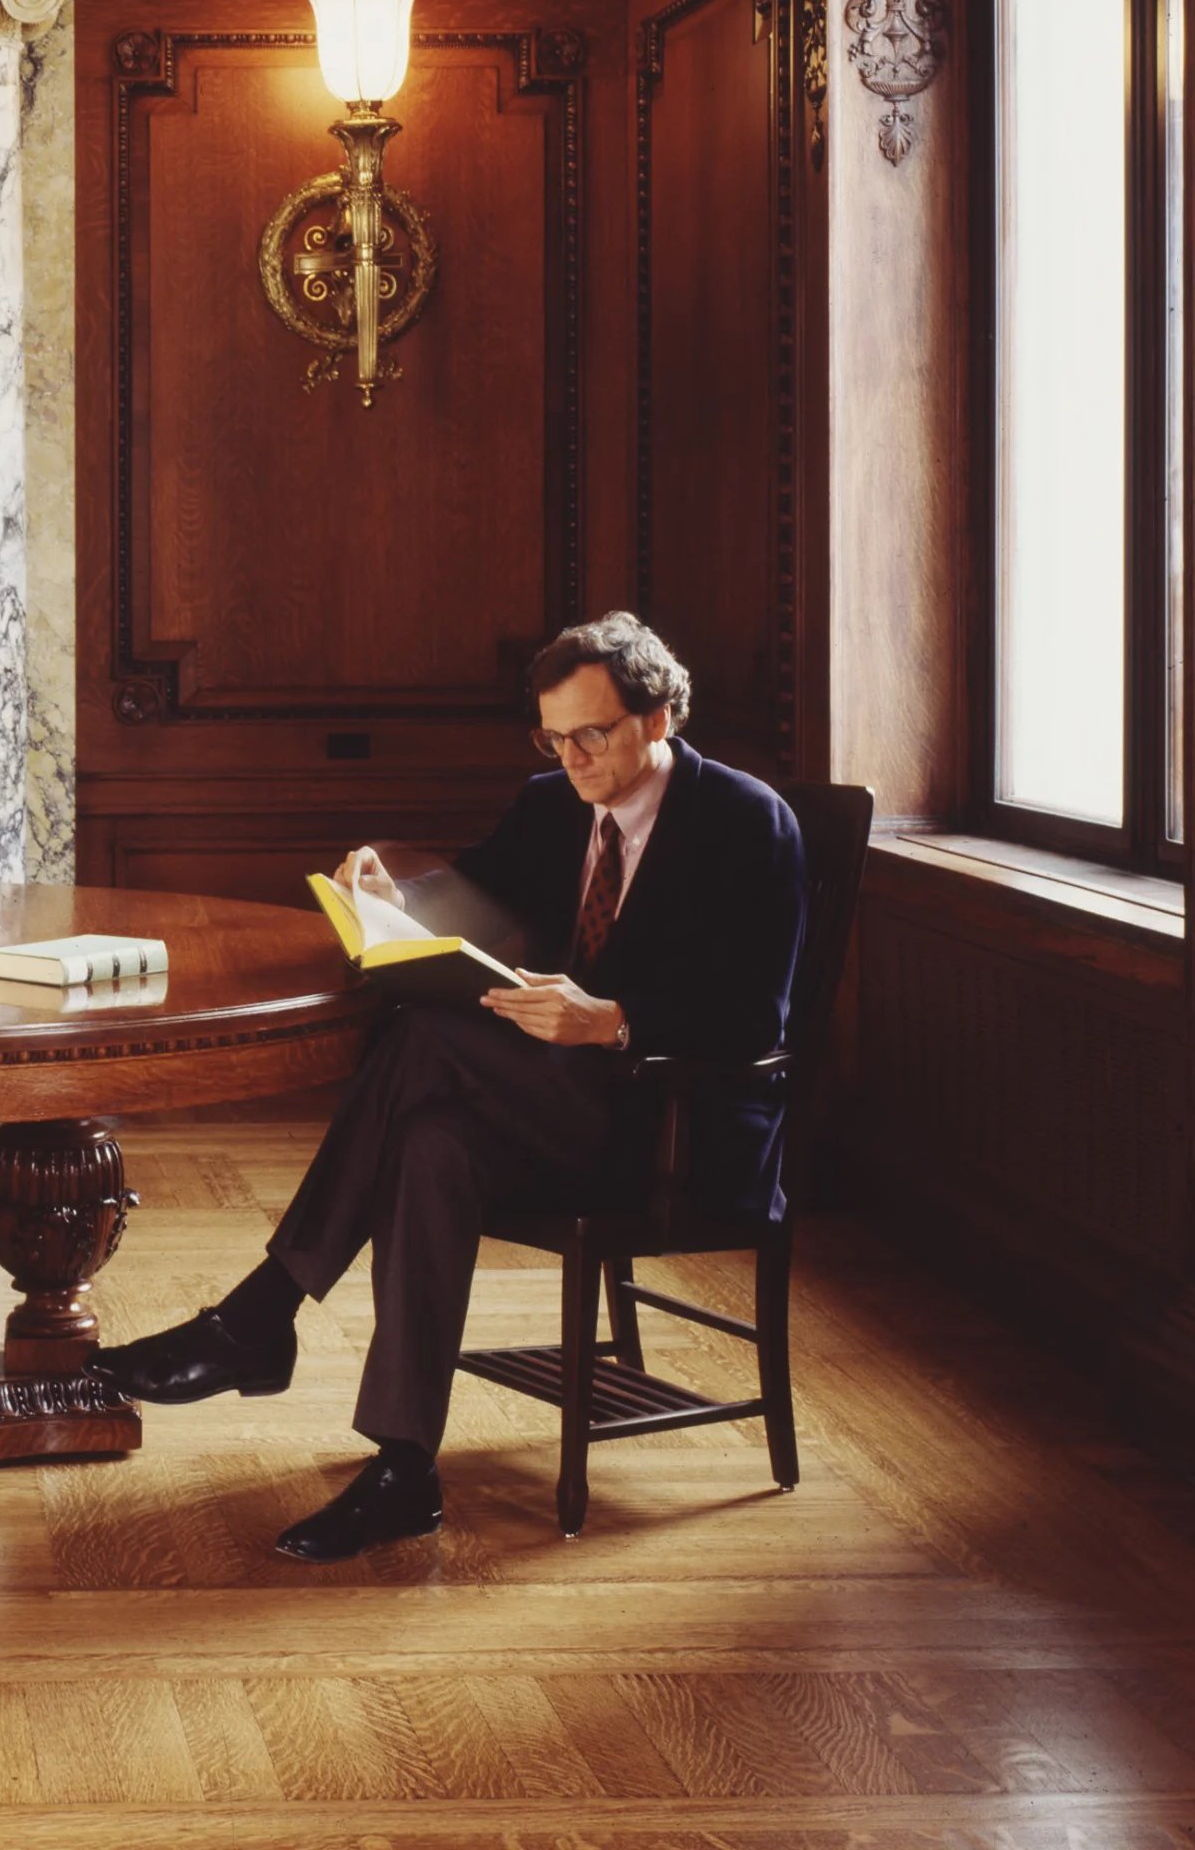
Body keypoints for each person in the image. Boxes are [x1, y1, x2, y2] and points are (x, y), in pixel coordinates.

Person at [100, 609, 805, 1560]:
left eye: (591, 734)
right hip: (564, 1113)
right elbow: (473, 903)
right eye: (553, 737)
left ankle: (261, 1316)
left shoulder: (745, 821)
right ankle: (404, 1469)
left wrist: (615, 1019)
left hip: (681, 1127)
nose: (573, 759)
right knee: (432, 1141)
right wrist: (395, 904)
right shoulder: (552, 801)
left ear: (661, 716)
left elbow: (757, 1021)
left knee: (428, 1043)